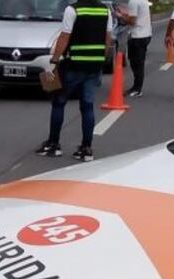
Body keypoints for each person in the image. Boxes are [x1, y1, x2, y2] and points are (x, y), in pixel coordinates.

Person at [35, 0, 114, 162]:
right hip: (94, 65)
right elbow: (108, 39)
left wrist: (55, 59)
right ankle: (86, 148)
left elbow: (65, 36)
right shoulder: (105, 11)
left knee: (59, 101)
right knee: (87, 106)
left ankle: (53, 144)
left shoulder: (72, 10)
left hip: (74, 64)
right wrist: (100, 59)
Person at [117, 0, 153, 97]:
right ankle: (137, 87)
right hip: (146, 34)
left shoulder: (133, 2)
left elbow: (132, 21)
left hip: (137, 35)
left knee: (136, 63)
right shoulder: (144, 1)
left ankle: (137, 88)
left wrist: (120, 16)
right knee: (137, 62)